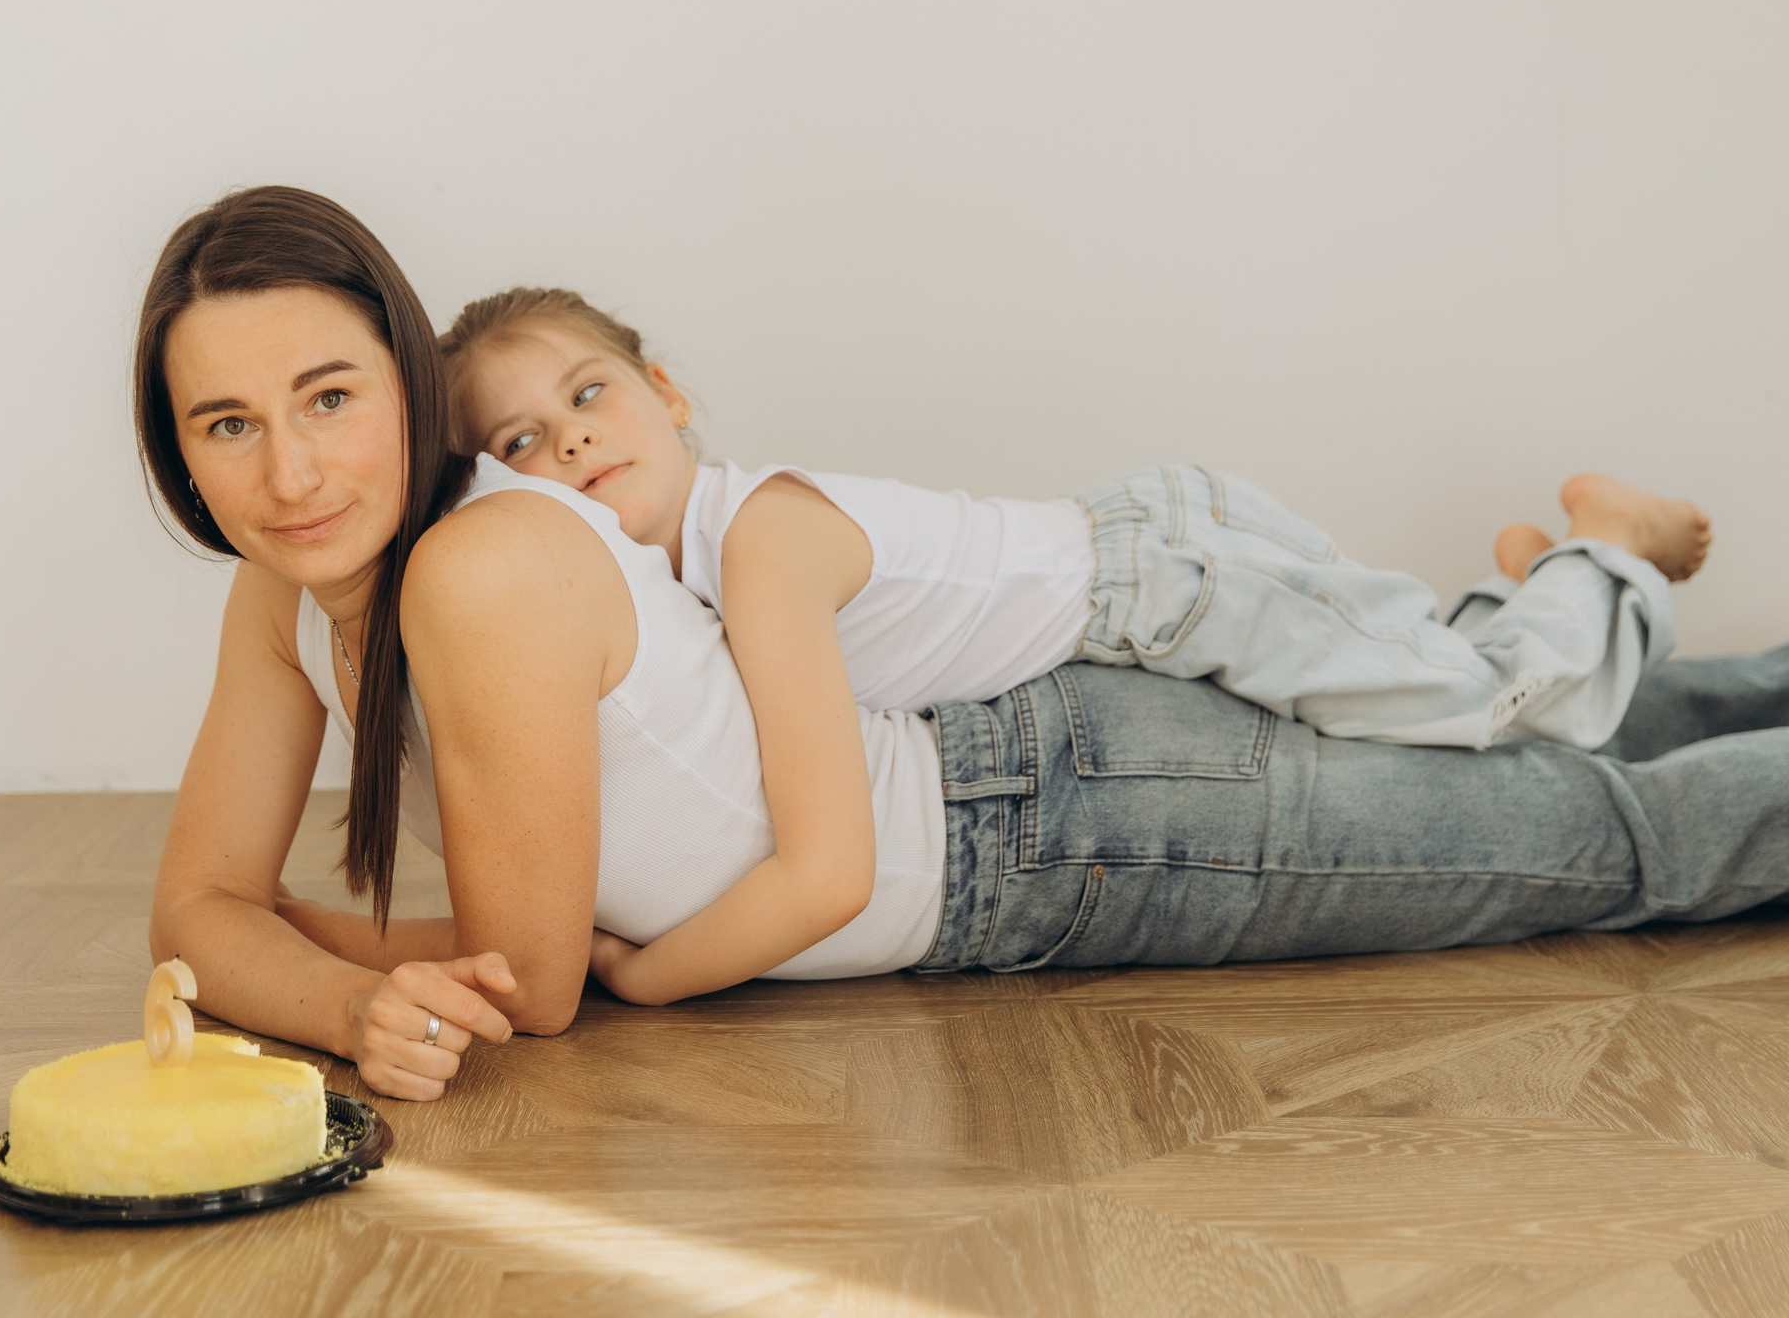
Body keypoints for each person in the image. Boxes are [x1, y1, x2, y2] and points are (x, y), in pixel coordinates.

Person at [140, 186, 1789, 1099]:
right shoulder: (290, 589)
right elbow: (201, 909)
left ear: (404, 382)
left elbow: (542, 978)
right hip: (1039, 766)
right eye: (226, 421)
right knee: (1532, 779)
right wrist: (319, 987)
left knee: (1628, 850)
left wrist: (318, 968)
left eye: (328, 393)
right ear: (181, 449)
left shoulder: (474, 576)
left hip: (1071, 821)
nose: (289, 466)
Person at [435, 284, 1719, 1000]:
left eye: (589, 394)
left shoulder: (760, 546)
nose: (572, 444)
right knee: (1413, 701)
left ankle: (1603, 550)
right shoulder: (654, 587)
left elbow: (827, 865)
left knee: (1491, 713)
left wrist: (652, 981)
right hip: (1137, 614)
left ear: (668, 398)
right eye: (522, 444)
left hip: (1179, 576)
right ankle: (1514, 597)